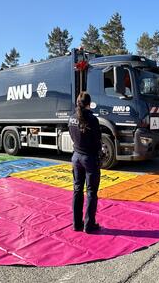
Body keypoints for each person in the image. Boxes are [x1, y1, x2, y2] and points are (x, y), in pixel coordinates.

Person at [68, 92, 102, 233]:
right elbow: (97, 140)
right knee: (91, 192)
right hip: (89, 159)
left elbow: (71, 135)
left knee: (77, 190)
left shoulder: (71, 118)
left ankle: (77, 224)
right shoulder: (92, 120)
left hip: (76, 157)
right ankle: (89, 225)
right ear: (89, 103)